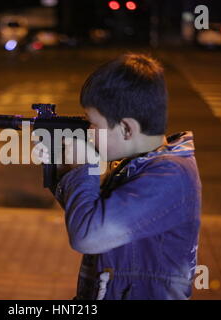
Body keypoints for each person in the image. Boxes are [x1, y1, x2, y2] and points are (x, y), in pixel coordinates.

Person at [39, 53, 202, 300]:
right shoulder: (137, 165)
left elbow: (87, 235)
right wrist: (65, 170)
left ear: (126, 128)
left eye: (94, 124)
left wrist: (85, 168)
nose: (90, 133)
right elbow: (88, 215)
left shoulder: (171, 175)